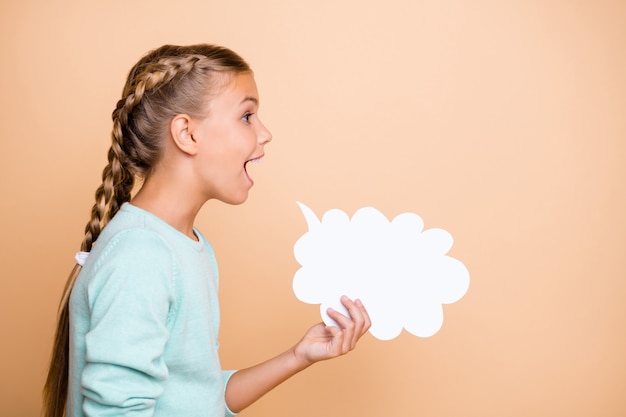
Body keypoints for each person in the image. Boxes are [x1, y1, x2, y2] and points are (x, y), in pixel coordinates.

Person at [42, 44, 371, 417]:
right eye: (247, 116)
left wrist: (300, 355)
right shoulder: (142, 255)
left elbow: (199, 397)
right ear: (187, 134)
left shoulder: (188, 248)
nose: (265, 134)